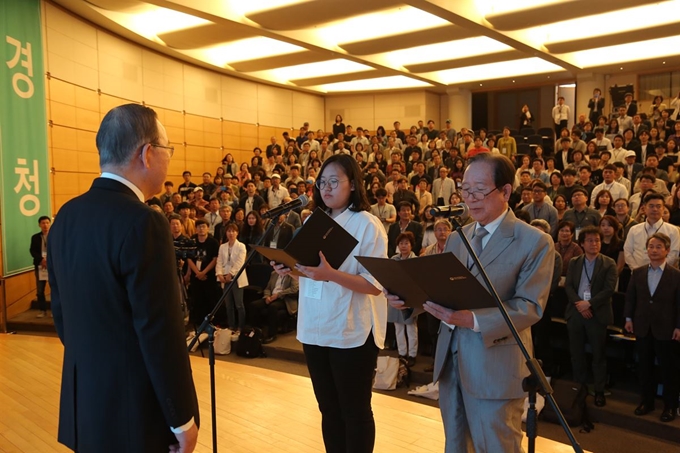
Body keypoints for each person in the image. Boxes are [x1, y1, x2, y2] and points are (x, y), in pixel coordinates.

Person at [47, 104, 199, 452]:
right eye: (168, 150)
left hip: (84, 403)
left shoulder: (65, 216)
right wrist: (182, 419)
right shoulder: (144, 222)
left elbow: (62, 316)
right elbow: (159, 331)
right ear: (147, 153)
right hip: (133, 414)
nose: (168, 159)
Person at [387, 153, 554, 452]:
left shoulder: (534, 241)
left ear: (505, 191)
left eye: (480, 190)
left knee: (497, 446)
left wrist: (472, 320)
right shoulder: (457, 237)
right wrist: (408, 300)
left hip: (495, 369)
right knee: (455, 445)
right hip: (452, 364)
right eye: (466, 190)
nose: (471, 198)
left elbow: (530, 306)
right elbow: (440, 291)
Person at [271, 153, 388, 453]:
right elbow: (311, 275)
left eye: (335, 181)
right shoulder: (314, 221)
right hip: (314, 327)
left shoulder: (367, 224)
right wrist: (292, 270)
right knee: (328, 409)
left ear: (353, 184)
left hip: (351, 331)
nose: (327, 188)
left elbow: (375, 285)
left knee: (355, 412)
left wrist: (331, 275)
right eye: (323, 182)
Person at [624, 233, 680, 422]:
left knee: (668, 369)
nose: (654, 250)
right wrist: (628, 318)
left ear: (666, 250)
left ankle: (670, 406)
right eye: (651, 246)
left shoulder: (675, 275)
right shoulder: (638, 272)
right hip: (642, 326)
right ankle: (646, 402)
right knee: (644, 367)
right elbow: (631, 297)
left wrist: (679, 326)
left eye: (658, 247)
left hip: (666, 328)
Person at [564, 226, 618, 407]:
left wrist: (590, 304)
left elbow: (609, 289)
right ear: (582, 243)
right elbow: (569, 286)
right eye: (590, 240)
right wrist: (580, 304)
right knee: (576, 353)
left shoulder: (609, 263)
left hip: (597, 314)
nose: (594, 244)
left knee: (598, 355)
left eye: (597, 240)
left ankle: (599, 390)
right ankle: (579, 387)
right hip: (577, 312)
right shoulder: (574, 262)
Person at [388, 232, 419, 367]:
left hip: (411, 297)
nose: (404, 246)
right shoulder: (393, 259)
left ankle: (412, 354)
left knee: (411, 328)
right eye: (401, 243)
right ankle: (402, 353)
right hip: (395, 295)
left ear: (411, 245)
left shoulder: (416, 260)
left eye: (406, 243)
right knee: (398, 327)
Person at [216, 223, 249, 334]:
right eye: (229, 231)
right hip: (225, 279)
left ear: (237, 233)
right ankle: (231, 326)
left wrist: (231, 273)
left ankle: (241, 326)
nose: (231, 233)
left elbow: (240, 262)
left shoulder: (241, 246)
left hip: (237, 278)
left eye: (233, 231)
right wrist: (219, 274)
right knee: (228, 304)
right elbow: (219, 261)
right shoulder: (222, 246)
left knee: (239, 304)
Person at [30, 215, 52, 318]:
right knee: (40, 290)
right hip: (40, 266)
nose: (45, 225)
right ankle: (42, 310)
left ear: (50, 224)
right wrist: (41, 260)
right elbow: (32, 251)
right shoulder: (35, 237)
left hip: (52, 266)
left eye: (47, 223)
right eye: (43, 223)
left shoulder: (54, 236)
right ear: (39, 225)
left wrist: (49, 260)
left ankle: (54, 310)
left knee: (54, 289)